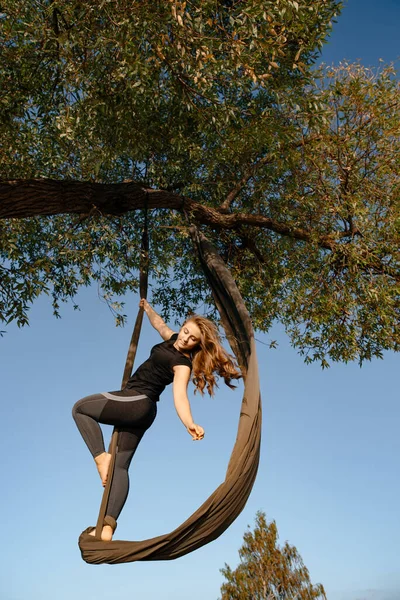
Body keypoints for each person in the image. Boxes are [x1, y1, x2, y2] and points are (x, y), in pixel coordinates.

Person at [72, 299, 241, 542]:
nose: (185, 339)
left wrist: (189, 423)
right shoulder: (172, 338)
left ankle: (100, 458)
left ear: (197, 345)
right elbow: (159, 325)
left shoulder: (183, 364)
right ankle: (107, 528)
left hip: (138, 400)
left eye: (192, 338)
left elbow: (180, 397)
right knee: (120, 467)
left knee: (80, 409)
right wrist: (147, 308)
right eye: (185, 331)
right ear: (182, 327)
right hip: (141, 411)